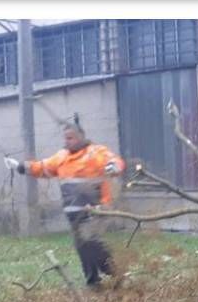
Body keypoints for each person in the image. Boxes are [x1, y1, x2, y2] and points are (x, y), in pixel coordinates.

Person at [8, 123, 124, 288]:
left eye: (71, 138)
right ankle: (94, 281)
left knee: (91, 242)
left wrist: (113, 167)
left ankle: (113, 272)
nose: (67, 141)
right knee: (82, 246)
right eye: (66, 138)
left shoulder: (95, 153)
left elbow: (115, 162)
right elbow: (42, 167)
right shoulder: (62, 157)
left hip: (95, 209)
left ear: (81, 136)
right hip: (73, 213)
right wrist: (21, 166)